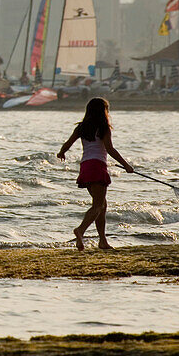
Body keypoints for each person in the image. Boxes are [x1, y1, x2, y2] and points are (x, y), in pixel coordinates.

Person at [57, 97, 133, 251]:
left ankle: (103, 241)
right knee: (98, 206)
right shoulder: (104, 127)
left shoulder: (81, 127)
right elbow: (110, 149)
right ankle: (80, 230)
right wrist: (126, 165)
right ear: (103, 111)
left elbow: (68, 143)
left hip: (85, 166)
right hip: (97, 166)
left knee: (102, 206)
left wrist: (61, 152)